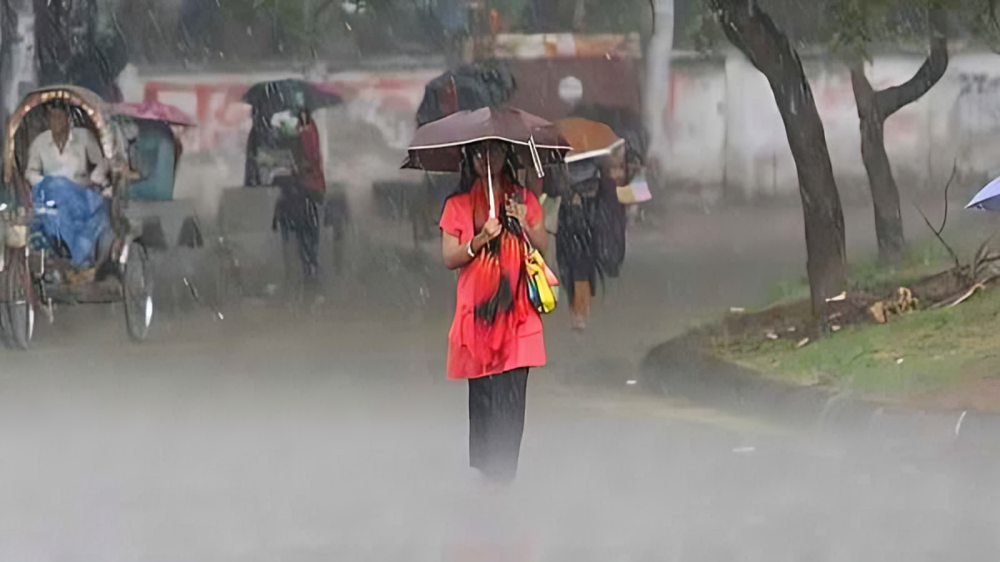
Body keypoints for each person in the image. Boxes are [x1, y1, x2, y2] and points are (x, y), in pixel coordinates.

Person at [439, 140, 548, 486]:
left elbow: (543, 244)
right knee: (484, 402)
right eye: (480, 154)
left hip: (518, 316)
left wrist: (524, 223)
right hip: (479, 320)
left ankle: (504, 477)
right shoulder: (457, 206)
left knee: (511, 403)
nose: (488, 160)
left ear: (507, 157)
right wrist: (480, 239)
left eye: (496, 153)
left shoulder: (523, 199)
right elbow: (449, 257)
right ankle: (488, 476)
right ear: (469, 160)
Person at [26, 103, 112, 267]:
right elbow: (30, 172)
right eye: (52, 117)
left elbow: (103, 162)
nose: (55, 122)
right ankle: (73, 262)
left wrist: (93, 179)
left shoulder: (84, 137)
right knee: (54, 215)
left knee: (98, 217)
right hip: (52, 197)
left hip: (81, 196)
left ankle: (78, 262)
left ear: (68, 119)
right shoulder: (40, 142)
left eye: (59, 117)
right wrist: (48, 183)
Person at [555, 150, 628, 331]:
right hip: (567, 206)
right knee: (566, 261)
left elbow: (609, 165)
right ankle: (578, 305)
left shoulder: (594, 144)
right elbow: (554, 178)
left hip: (589, 206)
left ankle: (580, 312)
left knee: (582, 261)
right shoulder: (559, 144)